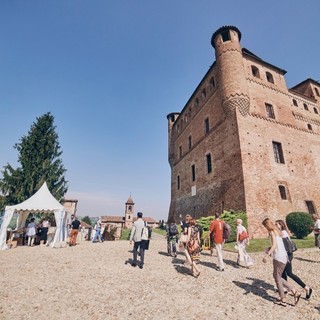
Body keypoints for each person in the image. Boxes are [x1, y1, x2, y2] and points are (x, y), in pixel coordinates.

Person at [262, 218, 301, 307]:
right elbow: (278, 244)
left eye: (265, 226)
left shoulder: (272, 232)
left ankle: (284, 298)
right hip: (283, 256)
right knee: (277, 276)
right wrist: (269, 248)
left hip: (278, 257)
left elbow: (275, 245)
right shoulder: (278, 231)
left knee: (277, 277)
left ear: (267, 225)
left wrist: (267, 255)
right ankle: (293, 292)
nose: (265, 228)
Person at [276, 219, 313, 300]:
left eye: (277, 224)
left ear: (281, 225)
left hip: (287, 255)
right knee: (283, 272)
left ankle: (307, 288)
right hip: (285, 255)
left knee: (289, 273)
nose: (276, 225)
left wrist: (286, 256)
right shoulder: (281, 233)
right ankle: (285, 288)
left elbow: (287, 246)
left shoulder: (283, 233)